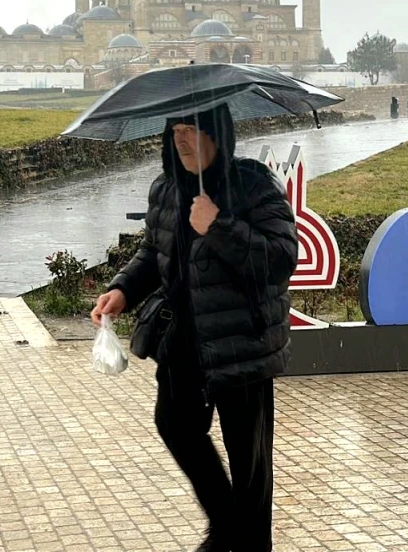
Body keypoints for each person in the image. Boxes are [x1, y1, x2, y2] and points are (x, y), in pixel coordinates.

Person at [91, 103, 298, 552]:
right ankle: (228, 526)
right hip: (183, 339)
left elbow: (281, 259)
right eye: (176, 130)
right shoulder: (165, 189)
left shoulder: (253, 185)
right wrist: (123, 290)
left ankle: (249, 544)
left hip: (242, 344)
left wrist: (219, 225)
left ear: (218, 134)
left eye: (192, 129)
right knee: (174, 424)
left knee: (250, 465)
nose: (182, 139)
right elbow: (154, 252)